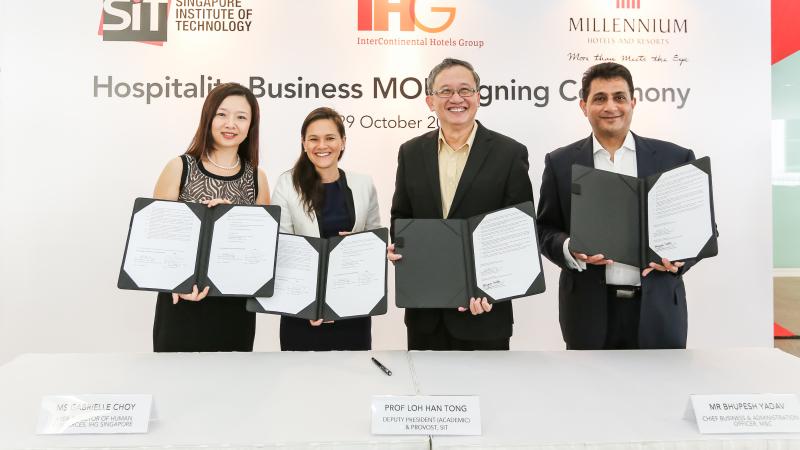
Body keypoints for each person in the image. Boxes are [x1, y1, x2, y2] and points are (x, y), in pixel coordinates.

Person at [537, 62, 700, 350]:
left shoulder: (674, 158)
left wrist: (680, 258)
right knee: (589, 381)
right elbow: (545, 229)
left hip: (658, 309)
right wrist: (569, 248)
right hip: (587, 311)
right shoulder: (560, 163)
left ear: (633, 103)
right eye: (600, 98)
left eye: (619, 97)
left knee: (661, 381)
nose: (610, 106)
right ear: (584, 106)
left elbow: (701, 228)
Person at [389, 58, 534, 351]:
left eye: (465, 90)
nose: (456, 98)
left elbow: (518, 232)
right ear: (430, 101)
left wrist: (492, 289)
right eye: (445, 91)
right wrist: (401, 247)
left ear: (478, 97)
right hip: (425, 315)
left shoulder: (509, 153)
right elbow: (401, 217)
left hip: (484, 313)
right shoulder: (411, 152)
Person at [152, 82, 269, 352]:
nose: (231, 124)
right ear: (208, 117)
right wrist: (176, 284)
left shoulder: (257, 178)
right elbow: (157, 241)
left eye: (241, 117)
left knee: (233, 378)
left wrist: (233, 221)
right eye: (222, 114)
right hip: (182, 301)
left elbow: (259, 251)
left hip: (234, 308)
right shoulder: (179, 167)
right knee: (175, 377)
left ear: (251, 125)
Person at [272, 107, 381, 351]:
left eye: (330, 138)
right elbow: (282, 248)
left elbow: (376, 241)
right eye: (313, 139)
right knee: (300, 373)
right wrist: (311, 306)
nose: (322, 146)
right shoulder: (287, 184)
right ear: (304, 144)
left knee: (353, 372)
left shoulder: (364, 183)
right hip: (303, 311)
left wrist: (360, 245)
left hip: (352, 308)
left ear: (343, 142)